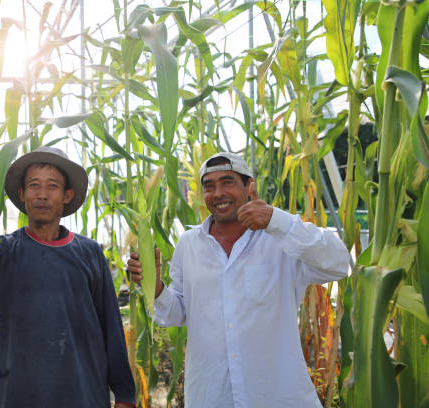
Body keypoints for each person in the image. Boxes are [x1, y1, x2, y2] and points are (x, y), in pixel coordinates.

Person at [127, 151, 349, 408]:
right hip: (211, 395)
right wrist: (154, 286)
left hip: (276, 396)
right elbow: (177, 313)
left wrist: (275, 220)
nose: (218, 193)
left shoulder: (280, 239)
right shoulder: (189, 245)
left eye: (228, 182)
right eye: (209, 186)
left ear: (249, 186)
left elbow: (338, 264)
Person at [0, 146, 136, 408]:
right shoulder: (2, 251)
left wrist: (124, 395)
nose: (42, 194)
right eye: (33, 185)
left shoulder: (90, 253)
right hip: (20, 394)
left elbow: (111, 327)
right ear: (22, 194)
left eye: (52, 186)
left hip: (82, 393)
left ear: (67, 195)